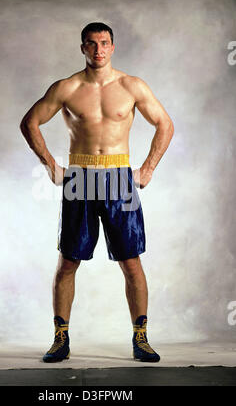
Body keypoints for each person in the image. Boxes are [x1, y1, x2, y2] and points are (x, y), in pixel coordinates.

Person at [20, 22, 174, 363]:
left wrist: (147, 168)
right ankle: (61, 339)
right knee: (68, 262)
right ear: (82, 48)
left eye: (104, 43)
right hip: (80, 179)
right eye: (91, 44)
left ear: (113, 47)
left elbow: (165, 123)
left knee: (131, 263)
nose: (98, 50)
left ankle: (141, 339)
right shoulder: (67, 87)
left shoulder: (131, 85)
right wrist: (50, 165)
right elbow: (29, 122)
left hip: (119, 178)